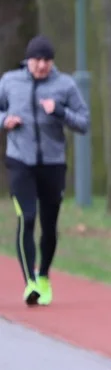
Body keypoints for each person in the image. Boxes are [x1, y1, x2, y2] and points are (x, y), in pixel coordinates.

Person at [0, 35, 89, 306]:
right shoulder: (9, 81)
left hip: (53, 164)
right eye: (37, 60)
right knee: (27, 218)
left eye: (47, 61)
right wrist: (5, 120)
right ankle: (31, 283)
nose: (41, 66)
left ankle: (44, 275)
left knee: (49, 226)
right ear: (28, 60)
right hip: (20, 161)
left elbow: (83, 122)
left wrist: (59, 111)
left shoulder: (65, 85)